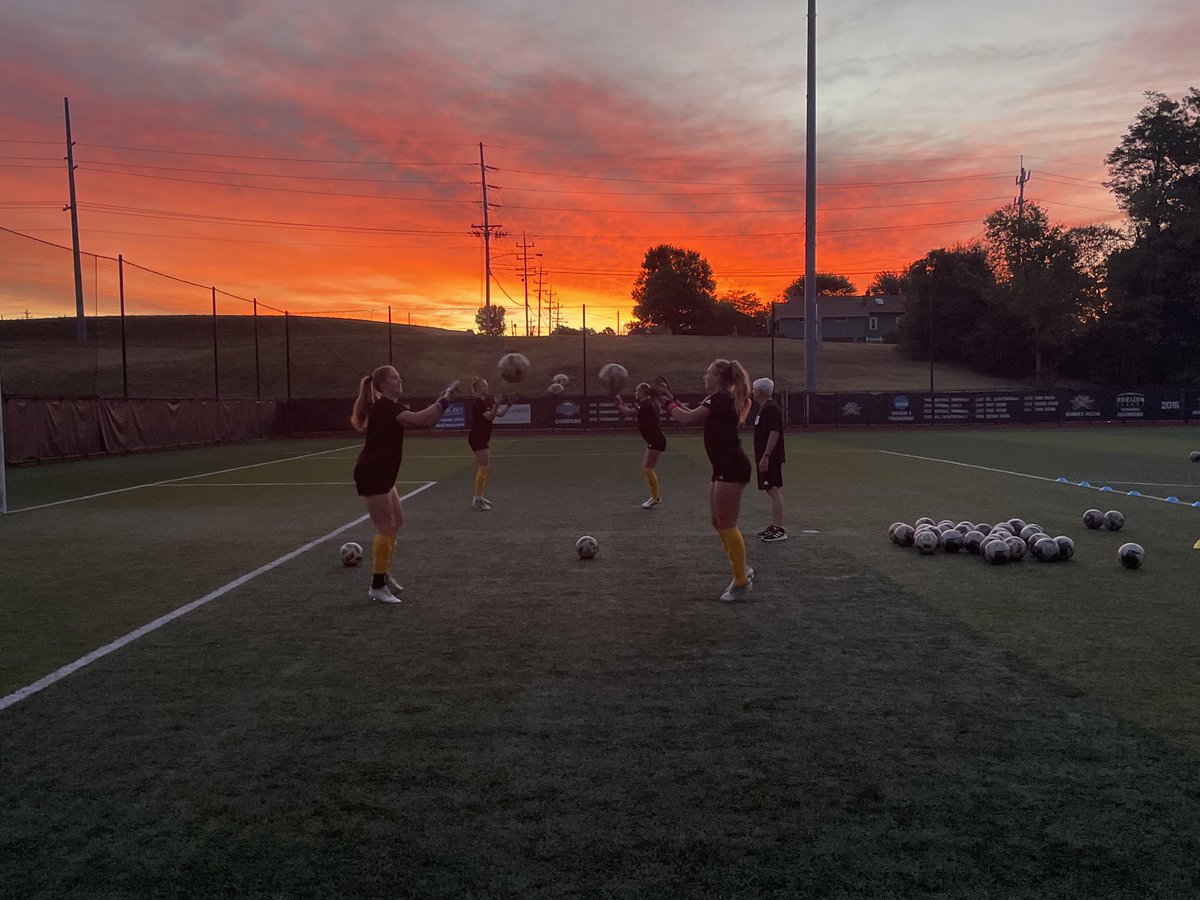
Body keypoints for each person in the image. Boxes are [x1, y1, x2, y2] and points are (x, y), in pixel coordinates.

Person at [351, 365, 459, 604]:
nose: (400, 380)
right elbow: (421, 420)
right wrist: (443, 400)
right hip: (373, 473)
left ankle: (384, 574)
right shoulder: (386, 407)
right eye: (394, 377)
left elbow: (425, 419)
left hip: (384, 474)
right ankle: (377, 586)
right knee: (386, 528)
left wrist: (443, 402)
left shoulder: (390, 406)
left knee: (396, 523)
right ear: (382, 385)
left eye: (399, 376)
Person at [655, 359, 755, 601]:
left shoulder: (719, 398)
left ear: (718, 377)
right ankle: (742, 568)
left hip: (731, 467)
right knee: (717, 521)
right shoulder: (721, 399)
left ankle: (741, 581)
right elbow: (691, 413)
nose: (704, 376)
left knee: (727, 524)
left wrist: (666, 401)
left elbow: (685, 418)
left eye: (707, 373)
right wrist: (670, 399)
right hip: (723, 466)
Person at [614, 382, 666, 508]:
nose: (635, 393)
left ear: (642, 392)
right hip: (654, 440)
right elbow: (631, 410)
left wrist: (618, 403)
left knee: (648, 469)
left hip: (656, 440)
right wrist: (620, 401)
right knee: (646, 469)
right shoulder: (646, 404)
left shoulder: (646, 404)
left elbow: (627, 412)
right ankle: (655, 496)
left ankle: (655, 498)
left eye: (637, 391)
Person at [467, 377, 512, 510]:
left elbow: (500, 414)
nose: (486, 388)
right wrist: (497, 403)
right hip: (477, 437)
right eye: (483, 386)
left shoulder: (485, 402)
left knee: (485, 467)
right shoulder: (477, 404)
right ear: (477, 389)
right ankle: (477, 498)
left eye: (486, 386)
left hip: (482, 437)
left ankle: (479, 496)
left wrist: (509, 404)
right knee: (484, 467)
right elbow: (490, 417)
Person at [751, 377, 787, 542]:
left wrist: (766, 456)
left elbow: (774, 433)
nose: (752, 392)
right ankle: (774, 525)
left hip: (770, 457)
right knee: (770, 489)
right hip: (765, 456)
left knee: (773, 489)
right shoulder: (765, 408)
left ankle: (779, 528)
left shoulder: (771, 408)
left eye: (754, 389)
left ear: (759, 391)